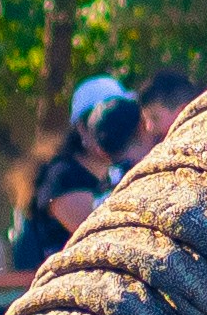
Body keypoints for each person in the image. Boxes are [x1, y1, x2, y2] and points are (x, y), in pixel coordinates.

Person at [13, 74, 142, 268]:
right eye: (107, 120)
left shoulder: (115, 173)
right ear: (82, 128)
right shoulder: (62, 177)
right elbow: (99, 230)